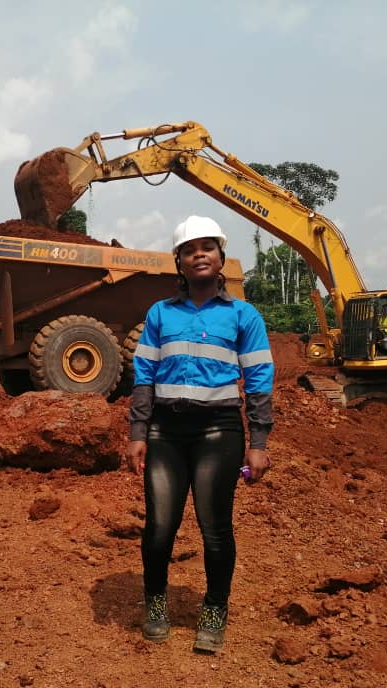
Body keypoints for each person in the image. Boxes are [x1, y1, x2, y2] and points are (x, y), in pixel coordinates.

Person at [125, 215, 274, 654]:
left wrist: (259, 443)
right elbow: (144, 376)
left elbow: (260, 379)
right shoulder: (160, 314)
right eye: (190, 249)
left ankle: (214, 608)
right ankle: (156, 603)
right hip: (165, 433)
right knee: (159, 527)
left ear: (221, 256)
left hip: (219, 432)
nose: (199, 254)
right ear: (180, 262)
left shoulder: (243, 315)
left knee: (215, 530)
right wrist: (138, 432)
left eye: (207, 247)